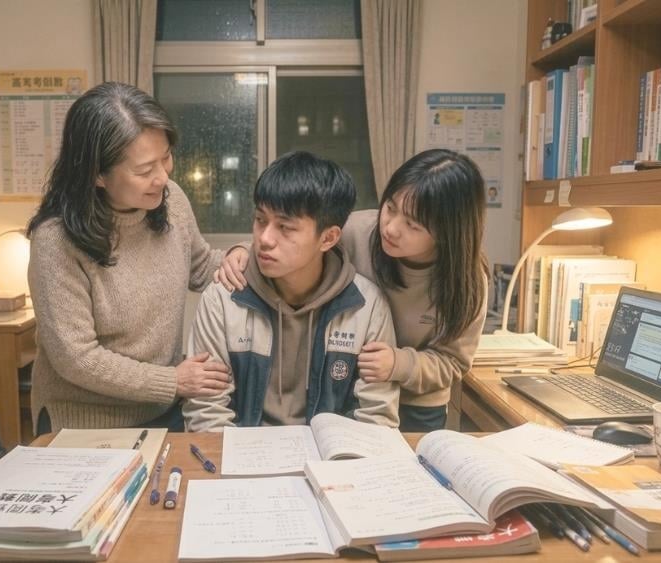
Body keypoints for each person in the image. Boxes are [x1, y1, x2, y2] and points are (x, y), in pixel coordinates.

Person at [25, 82, 246, 434]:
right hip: (83, 424)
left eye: (166, 157)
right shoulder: (56, 240)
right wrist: (173, 381)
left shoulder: (171, 200)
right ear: (98, 174)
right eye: (144, 171)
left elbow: (201, 267)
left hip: (164, 412)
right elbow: (76, 358)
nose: (163, 177)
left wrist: (239, 255)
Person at [218, 149, 488, 431]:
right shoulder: (356, 231)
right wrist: (243, 251)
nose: (391, 228)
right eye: (390, 208)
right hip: (351, 387)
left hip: (416, 400)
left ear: (447, 231)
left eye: (412, 224)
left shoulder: (467, 280)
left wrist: (398, 363)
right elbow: (295, 241)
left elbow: (453, 362)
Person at [183, 151, 400, 431]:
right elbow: (207, 412)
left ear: (328, 238)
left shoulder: (365, 306)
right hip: (243, 450)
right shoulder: (224, 297)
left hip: (330, 454)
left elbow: (376, 416)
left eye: (285, 227)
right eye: (260, 220)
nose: (264, 239)